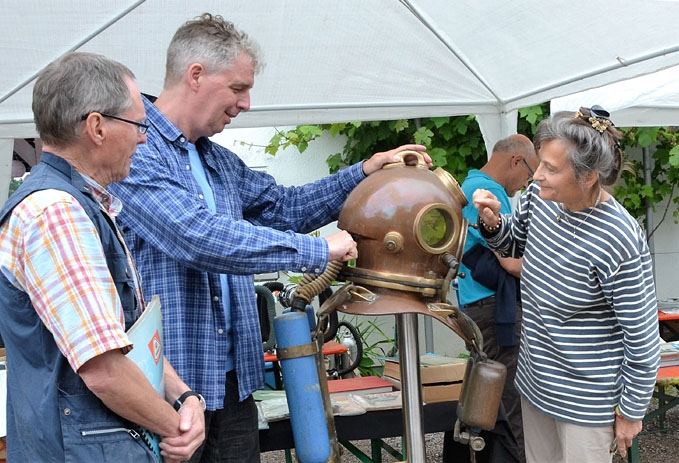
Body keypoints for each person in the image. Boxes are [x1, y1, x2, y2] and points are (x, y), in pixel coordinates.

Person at [107, 13, 430, 463]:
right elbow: (197, 236)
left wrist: (364, 172)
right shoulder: (137, 151)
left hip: (234, 387)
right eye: (238, 88)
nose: (246, 103)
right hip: (171, 393)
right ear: (196, 75)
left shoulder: (218, 161)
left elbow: (286, 207)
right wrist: (317, 251)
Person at [0, 52, 205, 462]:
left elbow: (119, 338)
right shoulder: (56, 213)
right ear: (96, 127)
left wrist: (184, 397)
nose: (144, 138)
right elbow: (105, 371)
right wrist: (174, 427)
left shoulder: (79, 205)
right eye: (138, 125)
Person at [472, 106, 660, 463]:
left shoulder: (618, 237)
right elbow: (513, 242)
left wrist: (631, 411)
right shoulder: (540, 201)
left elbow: (642, 337)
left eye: (552, 169)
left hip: (588, 401)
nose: (537, 175)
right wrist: (494, 224)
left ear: (588, 176)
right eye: (540, 163)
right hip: (536, 383)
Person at [456, 133, 538, 462]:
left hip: (476, 308)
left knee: (488, 403)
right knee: (511, 404)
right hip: (494, 309)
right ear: (516, 160)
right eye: (530, 173)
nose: (528, 183)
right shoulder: (488, 192)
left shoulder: (467, 185)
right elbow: (510, 260)